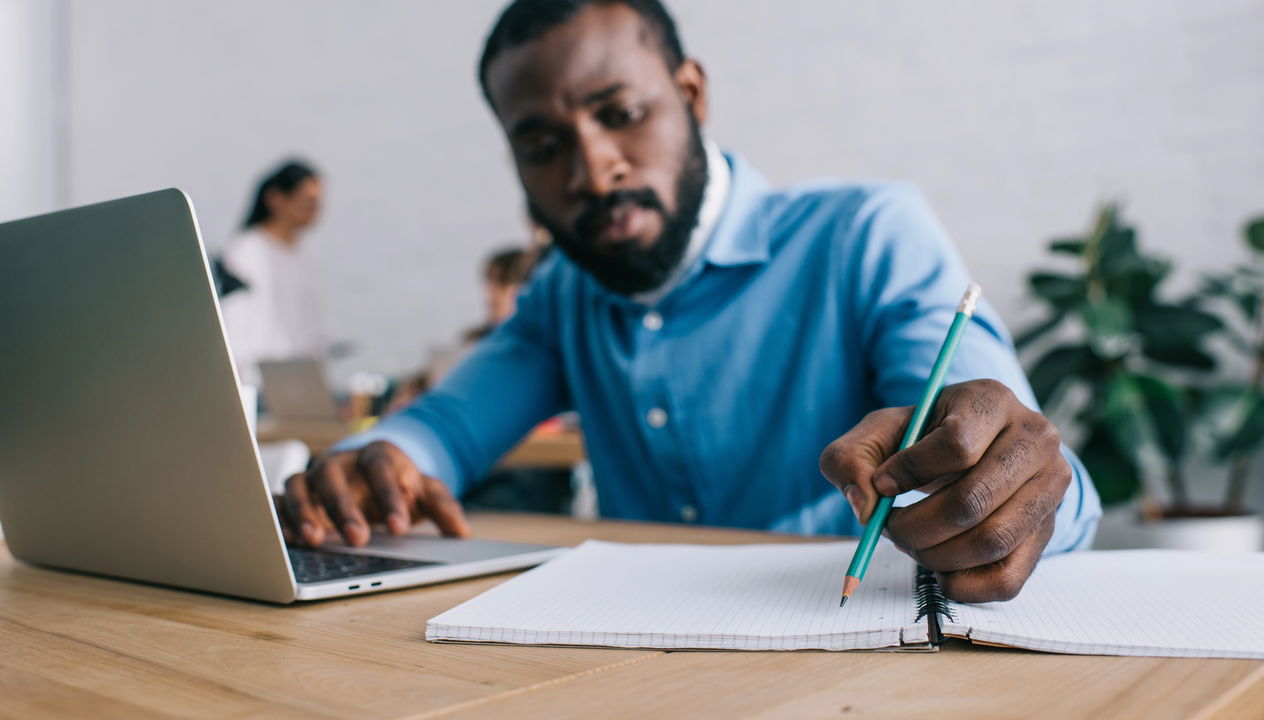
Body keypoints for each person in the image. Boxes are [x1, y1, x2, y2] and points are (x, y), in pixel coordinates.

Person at [279, 0, 1102, 603]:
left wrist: (1017, 480)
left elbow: (1018, 452)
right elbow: (445, 428)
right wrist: (377, 462)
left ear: (693, 94)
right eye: (542, 145)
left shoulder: (866, 234)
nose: (592, 170)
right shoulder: (563, 295)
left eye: (622, 114)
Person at [219, 159, 327, 386]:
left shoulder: (302, 256)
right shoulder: (246, 250)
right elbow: (233, 319)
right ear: (276, 199)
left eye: (318, 204)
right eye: (308, 202)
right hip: (258, 383)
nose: (315, 212)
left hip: (299, 385)